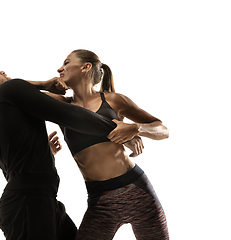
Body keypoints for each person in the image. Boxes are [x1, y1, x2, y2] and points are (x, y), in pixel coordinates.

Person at [0, 68, 133, 240]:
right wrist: (116, 131)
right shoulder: (6, 91)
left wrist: (42, 152)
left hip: (35, 202)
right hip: (29, 204)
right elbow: (66, 113)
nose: (1, 71)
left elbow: (15, 164)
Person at [47, 49, 170, 240]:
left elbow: (163, 130)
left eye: (66, 62)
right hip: (99, 199)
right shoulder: (62, 106)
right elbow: (19, 92)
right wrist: (45, 84)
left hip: (138, 191)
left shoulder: (113, 100)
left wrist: (136, 128)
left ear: (85, 67)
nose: (59, 68)